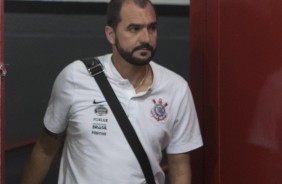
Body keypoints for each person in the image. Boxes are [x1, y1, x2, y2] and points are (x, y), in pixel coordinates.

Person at [21, 0, 203, 183]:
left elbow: (179, 166)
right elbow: (45, 148)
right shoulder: (75, 77)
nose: (146, 39)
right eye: (134, 29)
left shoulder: (176, 89)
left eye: (152, 28)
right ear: (111, 34)